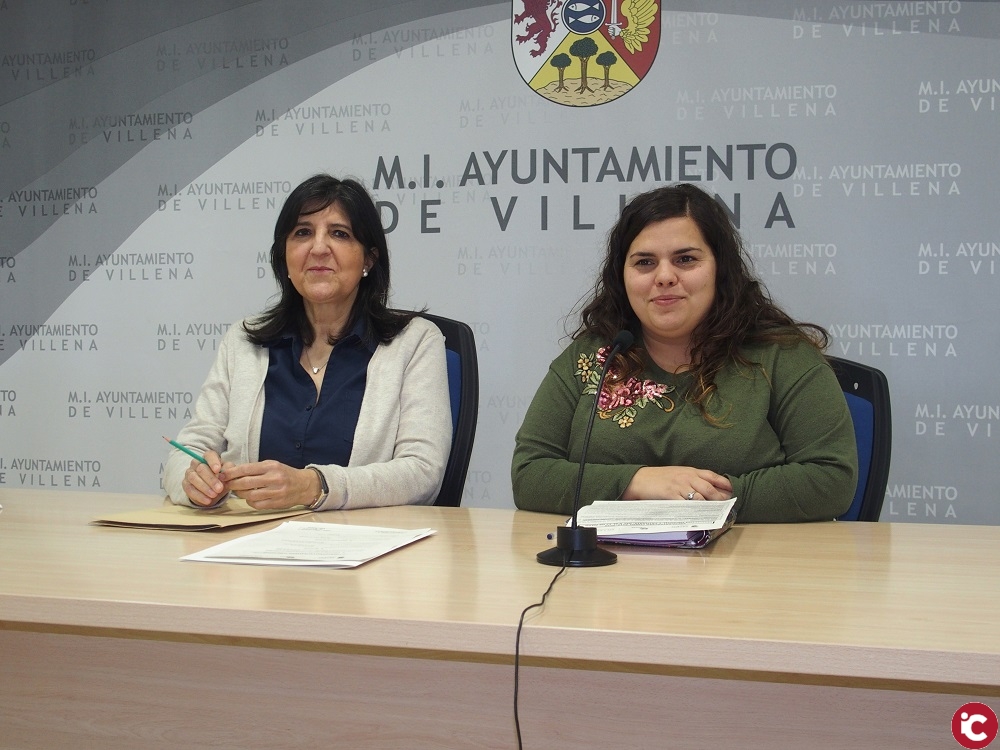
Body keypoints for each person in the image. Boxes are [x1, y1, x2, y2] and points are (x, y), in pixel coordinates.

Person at [512, 183, 858, 523]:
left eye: (686, 259)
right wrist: (637, 482)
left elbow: (831, 479)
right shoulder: (593, 357)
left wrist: (704, 499)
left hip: (750, 556)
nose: (664, 276)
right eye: (644, 262)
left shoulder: (782, 354)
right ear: (622, 275)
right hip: (611, 557)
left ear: (720, 268)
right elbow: (529, 473)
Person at [164, 174, 452, 511]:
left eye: (339, 234)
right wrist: (193, 480)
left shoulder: (415, 342)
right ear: (284, 256)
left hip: (363, 540)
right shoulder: (243, 341)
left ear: (369, 259)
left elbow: (422, 472)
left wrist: (316, 486)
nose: (318, 248)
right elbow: (190, 448)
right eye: (302, 232)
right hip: (248, 539)